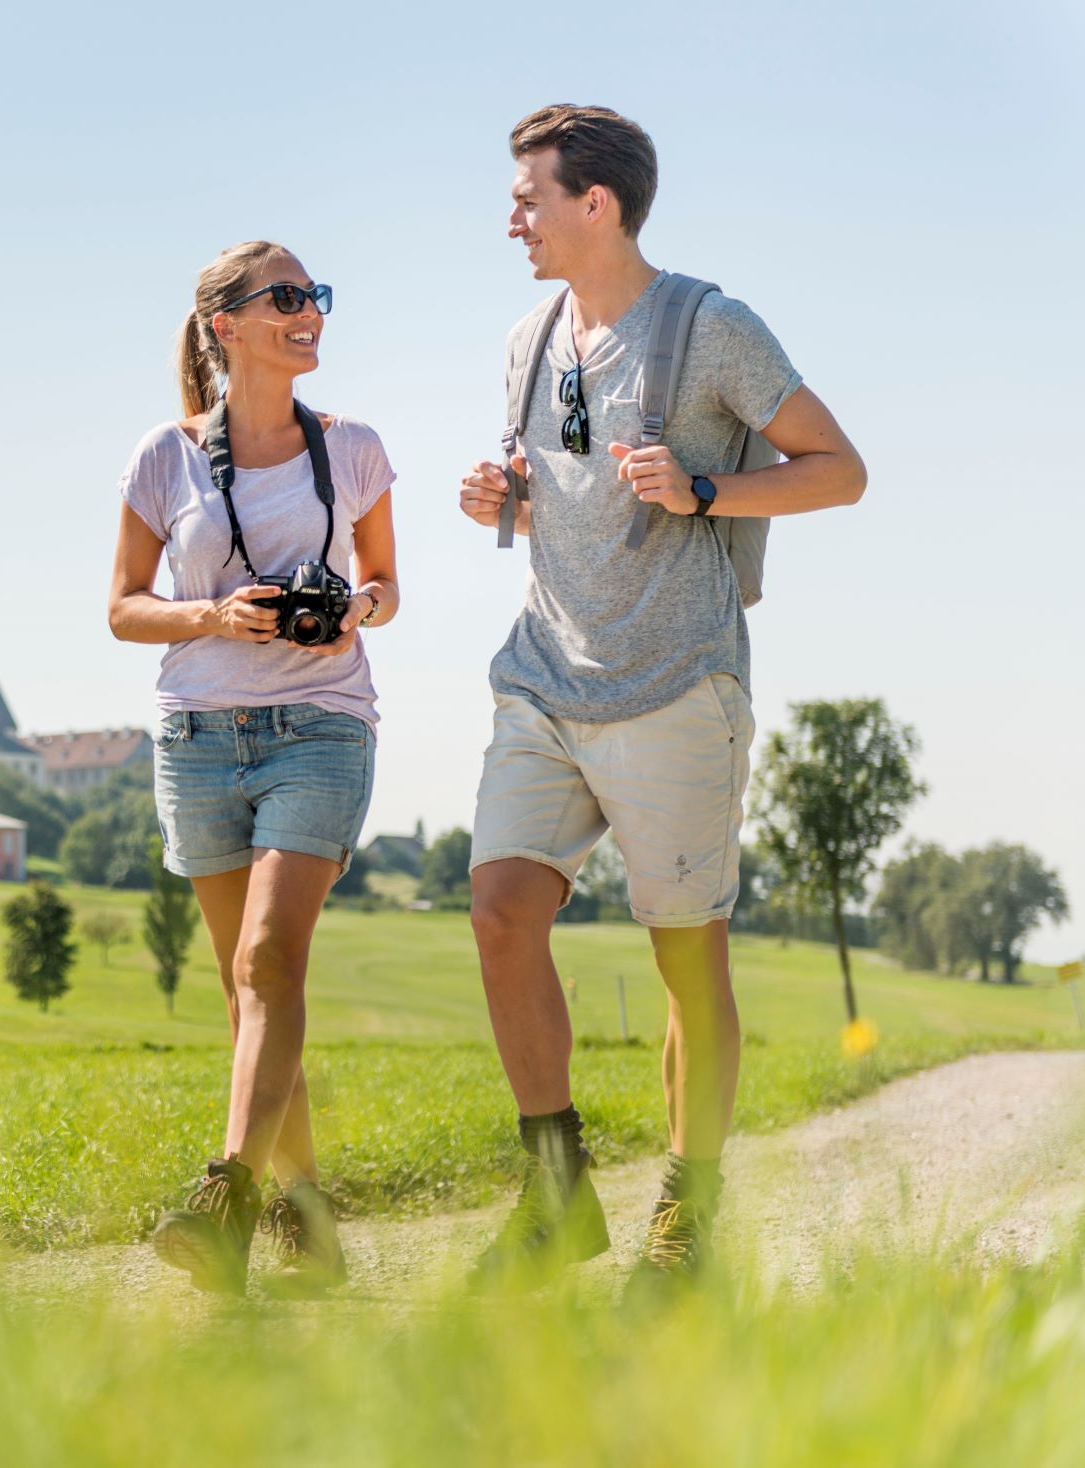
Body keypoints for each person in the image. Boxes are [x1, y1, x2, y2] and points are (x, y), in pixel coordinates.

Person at [456, 105, 867, 1296]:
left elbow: (838, 472)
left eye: (529, 195)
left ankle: (688, 1215)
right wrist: (505, 494)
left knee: (689, 964)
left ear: (599, 203)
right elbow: (562, 489)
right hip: (543, 673)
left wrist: (701, 488)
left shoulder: (710, 327)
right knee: (497, 913)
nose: (513, 217)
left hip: (676, 681)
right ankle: (554, 1191)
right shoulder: (529, 337)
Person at [110, 240, 399, 1294]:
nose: (308, 310)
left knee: (271, 963)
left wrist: (351, 612)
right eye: (285, 297)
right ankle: (309, 1213)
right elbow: (121, 607)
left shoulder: (353, 447)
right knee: (246, 996)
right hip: (197, 738)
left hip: (321, 725)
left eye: (314, 294)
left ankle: (225, 1193)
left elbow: (385, 584)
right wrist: (214, 613)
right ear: (224, 325)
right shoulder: (165, 456)